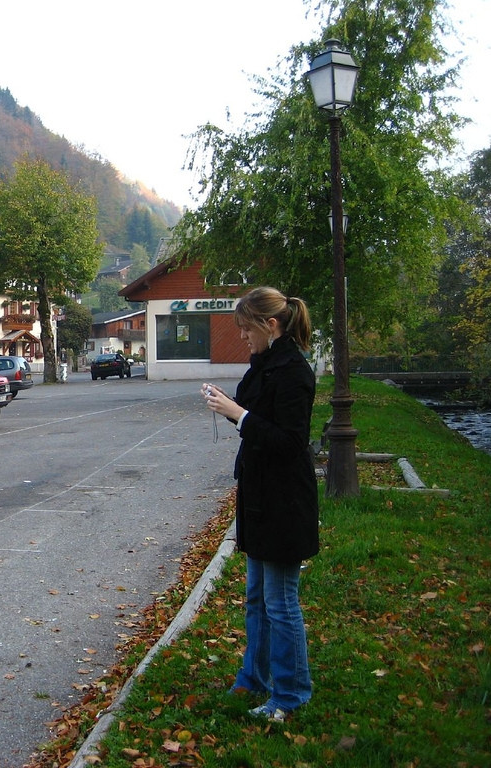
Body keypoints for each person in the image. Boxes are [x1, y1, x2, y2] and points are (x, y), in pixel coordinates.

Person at [201, 286, 319, 723]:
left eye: (248, 330)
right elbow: (250, 410)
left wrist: (239, 414)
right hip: (259, 498)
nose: (243, 338)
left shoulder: (294, 372)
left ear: (271, 326)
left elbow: (289, 442)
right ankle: (254, 677)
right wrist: (229, 405)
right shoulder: (266, 365)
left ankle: (291, 695)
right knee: (256, 598)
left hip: (285, 501)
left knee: (281, 601)